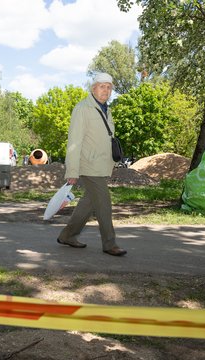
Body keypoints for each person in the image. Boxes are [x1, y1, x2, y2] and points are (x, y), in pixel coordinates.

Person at [56, 72, 127, 256]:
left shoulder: (105, 108)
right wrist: (72, 170)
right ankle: (109, 243)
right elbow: (74, 141)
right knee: (104, 202)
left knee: (88, 203)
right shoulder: (83, 109)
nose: (106, 90)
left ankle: (67, 235)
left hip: (102, 164)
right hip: (89, 164)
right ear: (93, 88)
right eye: (102, 86)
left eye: (109, 87)